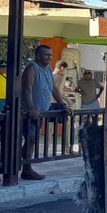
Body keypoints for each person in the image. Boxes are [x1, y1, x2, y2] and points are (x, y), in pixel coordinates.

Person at [20, 45, 70, 180]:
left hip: (42, 111)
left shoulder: (48, 68)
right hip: (29, 113)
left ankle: (23, 163)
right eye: (46, 55)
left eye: (50, 55)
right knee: (30, 140)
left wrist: (62, 104)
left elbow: (53, 88)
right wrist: (31, 108)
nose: (49, 57)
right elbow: (27, 89)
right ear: (37, 56)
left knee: (32, 140)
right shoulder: (32, 68)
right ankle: (26, 168)